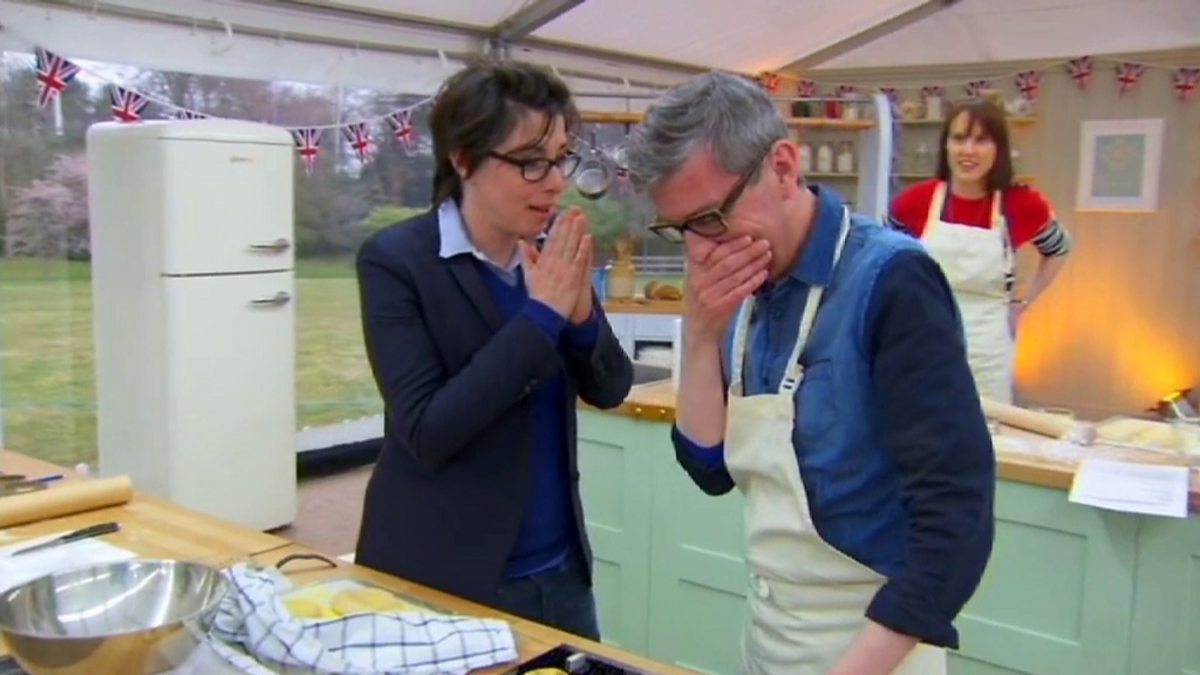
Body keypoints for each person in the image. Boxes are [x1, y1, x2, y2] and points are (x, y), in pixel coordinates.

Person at [623, 71, 995, 675]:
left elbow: (957, 519)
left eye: (711, 217)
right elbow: (709, 467)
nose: (698, 250)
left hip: (874, 648)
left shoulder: (892, 281)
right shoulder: (747, 285)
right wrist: (701, 333)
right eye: (679, 228)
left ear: (784, 166)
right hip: (770, 635)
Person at [353, 59, 634, 641]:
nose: (554, 182)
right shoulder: (397, 261)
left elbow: (611, 388)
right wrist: (542, 316)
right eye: (531, 162)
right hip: (448, 579)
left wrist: (581, 319)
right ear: (464, 159)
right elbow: (428, 430)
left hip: (562, 573)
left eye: (561, 159)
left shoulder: (550, 254)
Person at [889, 98, 1073, 404]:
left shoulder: (1021, 205)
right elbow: (882, 259)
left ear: (998, 149)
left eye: (981, 140)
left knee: (987, 428)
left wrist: (1023, 301)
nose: (968, 150)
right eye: (959, 138)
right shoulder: (914, 202)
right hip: (922, 341)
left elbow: (1060, 249)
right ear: (946, 145)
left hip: (987, 352)